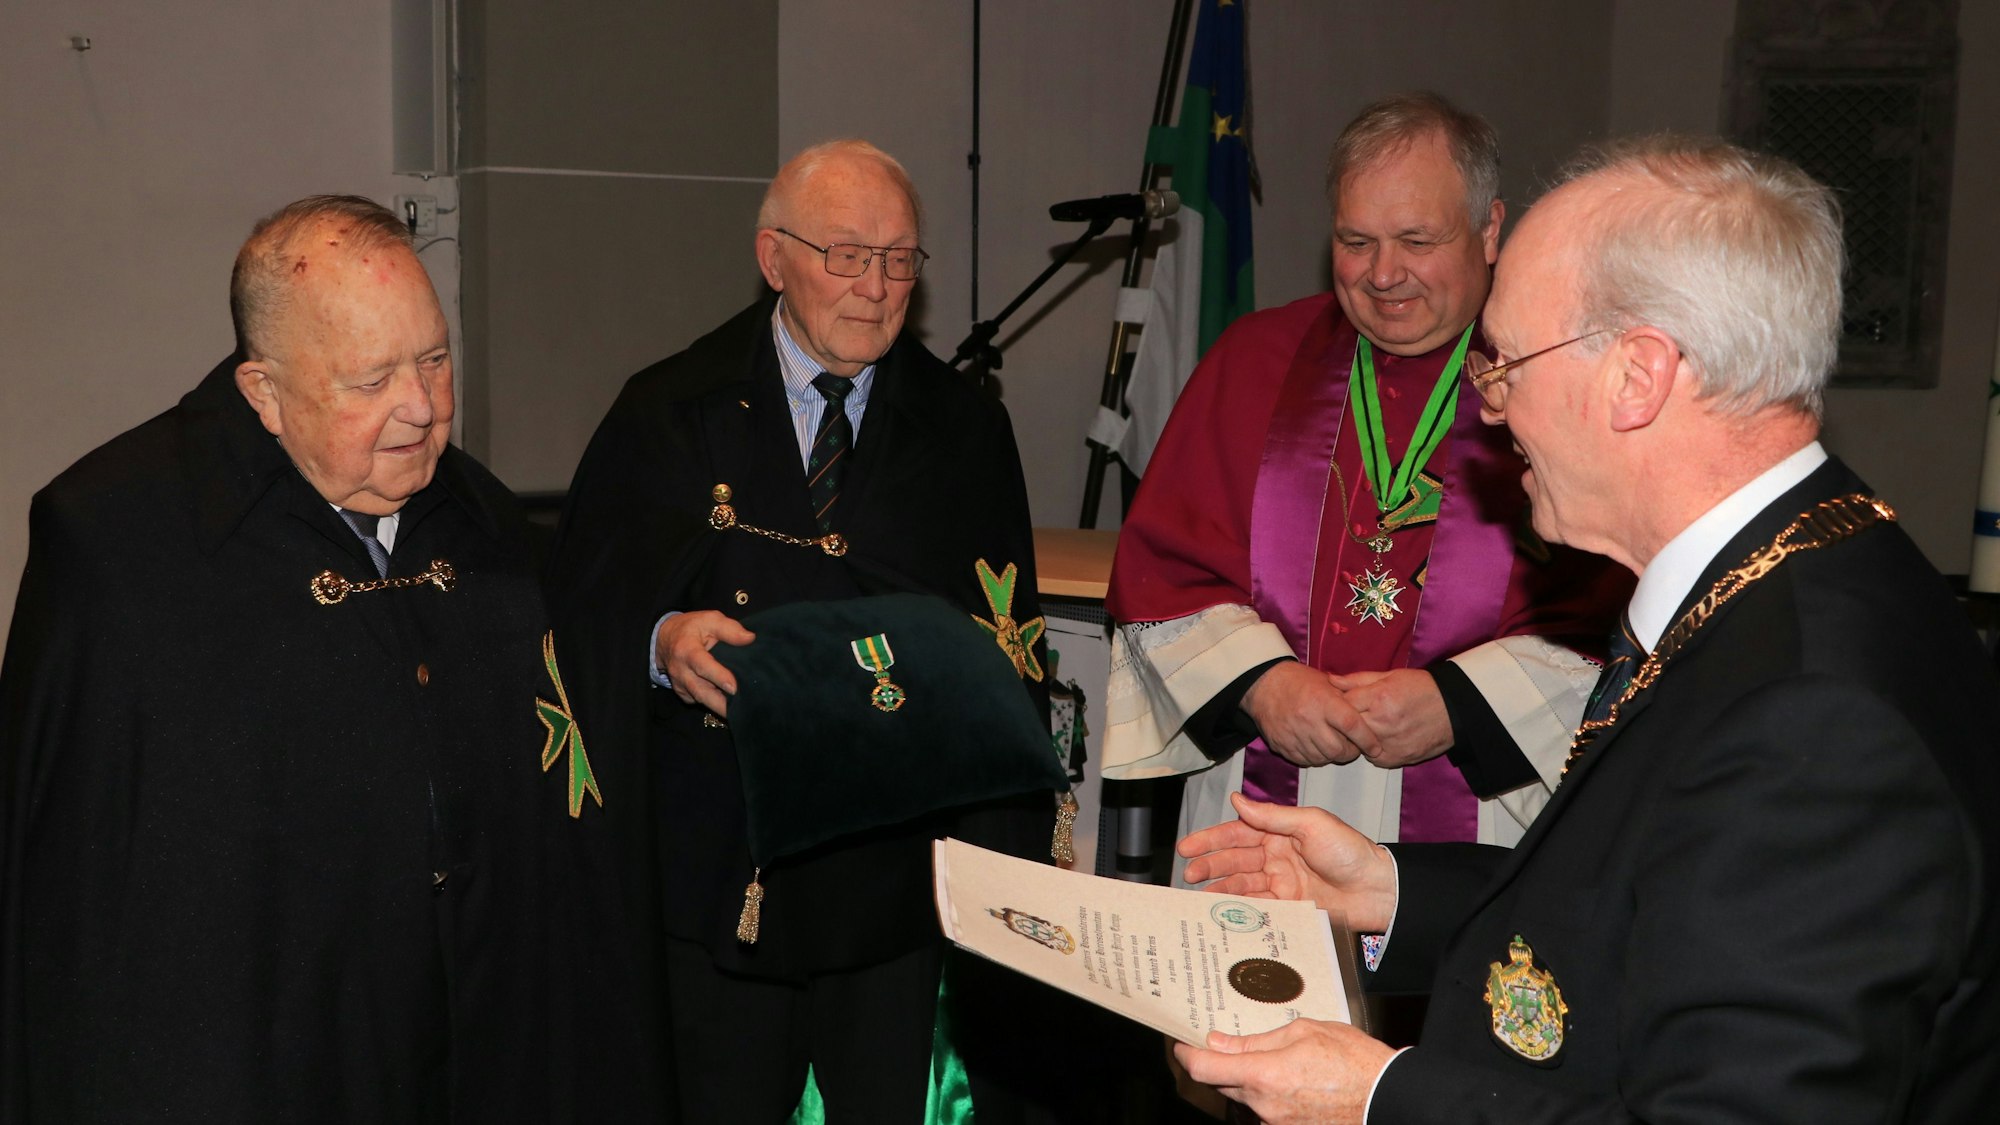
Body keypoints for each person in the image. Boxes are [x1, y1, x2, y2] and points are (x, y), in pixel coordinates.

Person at [1173, 135, 2000, 1122]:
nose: (1485, 410)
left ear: (1636, 376)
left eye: (1506, 360)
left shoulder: (1811, 717)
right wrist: (1391, 890)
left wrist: (1377, 1098)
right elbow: (1661, 897)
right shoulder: (1801, 558)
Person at [0, 196, 656, 1121]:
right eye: (371, 379)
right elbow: (76, 896)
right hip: (253, 1055)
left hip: (472, 1049)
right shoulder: (118, 543)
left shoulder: (488, 525)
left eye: (434, 360)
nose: (421, 408)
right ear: (262, 392)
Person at [544, 140, 1056, 1122]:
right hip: (721, 868)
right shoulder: (668, 412)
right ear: (772, 258)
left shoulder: (963, 430)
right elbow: (580, 610)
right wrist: (660, 644)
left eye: (900, 260)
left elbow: (1009, 640)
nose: (875, 288)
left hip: (893, 881)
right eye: (845, 256)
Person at [1105, 92, 1629, 874]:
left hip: (1478, 815)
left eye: (1416, 239)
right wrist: (1260, 681)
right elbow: (1161, 574)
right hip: (1259, 797)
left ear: (1490, 230)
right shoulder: (1257, 360)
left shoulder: (1557, 380)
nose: (1384, 274)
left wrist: (1463, 701)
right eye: (1356, 241)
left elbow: (1617, 605)